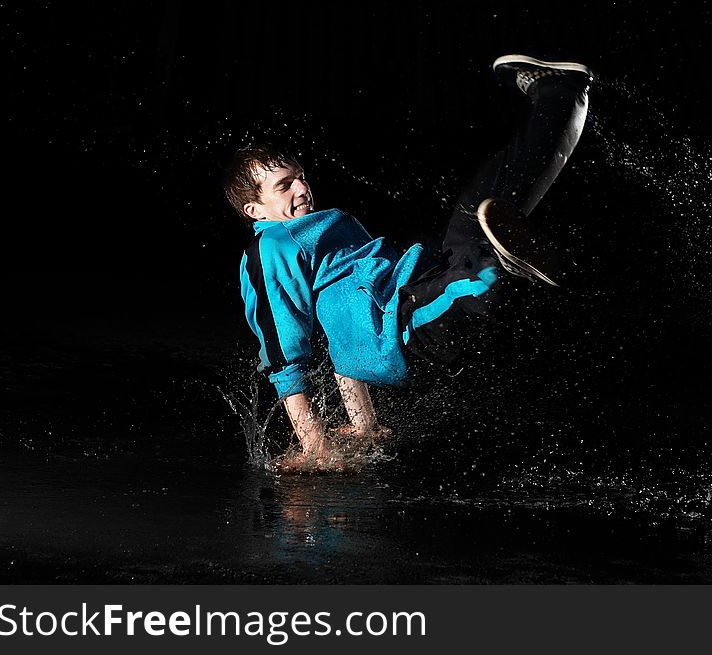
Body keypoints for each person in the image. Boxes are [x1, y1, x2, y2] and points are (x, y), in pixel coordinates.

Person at [223, 55, 591, 471]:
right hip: (412, 324)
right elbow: (284, 349)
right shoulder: (271, 247)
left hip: (420, 283)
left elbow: (342, 330)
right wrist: (315, 447)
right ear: (255, 210)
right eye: (284, 185)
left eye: (301, 176)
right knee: (473, 277)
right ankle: (501, 268)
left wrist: (364, 427)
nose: (302, 188)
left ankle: (561, 96)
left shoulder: (329, 226)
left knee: (480, 199)